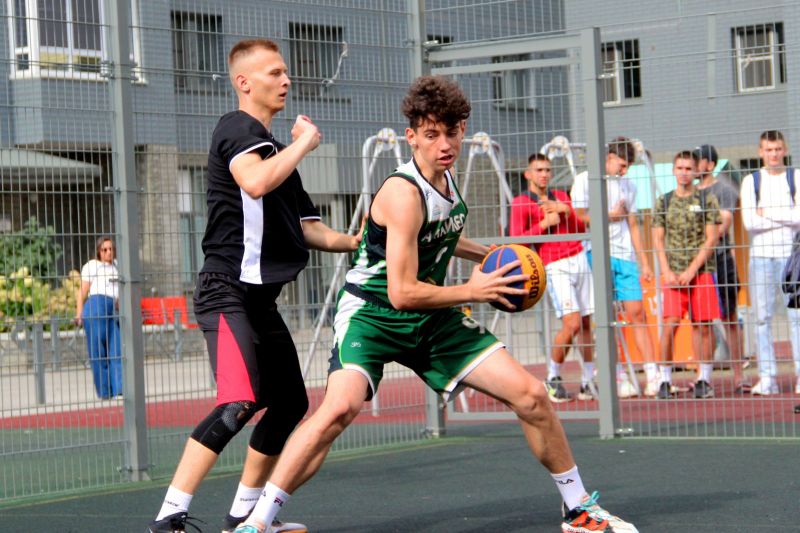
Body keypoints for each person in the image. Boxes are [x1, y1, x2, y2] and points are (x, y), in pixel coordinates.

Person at [233, 76, 637, 533]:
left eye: (452, 132)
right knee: (339, 409)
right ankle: (258, 522)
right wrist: (475, 290)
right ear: (412, 136)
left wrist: (489, 256)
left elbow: (441, 232)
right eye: (431, 134)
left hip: (430, 315)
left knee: (532, 395)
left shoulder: (445, 180)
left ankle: (577, 508)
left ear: (463, 130)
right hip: (373, 314)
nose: (444, 144)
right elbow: (401, 292)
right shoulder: (402, 193)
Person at [146, 39, 361, 533]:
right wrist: (305, 143)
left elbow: (310, 228)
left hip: (260, 302)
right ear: (244, 82)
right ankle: (167, 519)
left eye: (285, 73)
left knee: (290, 403)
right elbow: (255, 182)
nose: (287, 80)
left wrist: (355, 240)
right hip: (225, 290)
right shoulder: (236, 128)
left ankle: (243, 516)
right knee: (238, 402)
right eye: (274, 73)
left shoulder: (276, 154)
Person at [571, 137, 659, 398]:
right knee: (606, 317)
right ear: (609, 158)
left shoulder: (628, 185)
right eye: (621, 165)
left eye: (628, 166)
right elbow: (579, 217)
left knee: (637, 312)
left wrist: (643, 261)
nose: (624, 170)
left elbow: (633, 224)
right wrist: (610, 216)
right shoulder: (585, 180)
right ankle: (617, 374)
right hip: (597, 253)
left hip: (625, 256)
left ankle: (653, 374)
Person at [510, 153, 595, 402]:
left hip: (579, 258)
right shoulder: (521, 202)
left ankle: (588, 381)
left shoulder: (560, 196)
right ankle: (553, 376)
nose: (544, 174)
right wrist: (544, 224)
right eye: (539, 170)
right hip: (555, 264)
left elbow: (581, 228)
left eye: (547, 170)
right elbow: (516, 241)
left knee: (587, 323)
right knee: (572, 324)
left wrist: (566, 210)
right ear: (528, 174)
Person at [652, 151, 721, 399]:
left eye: (688, 168)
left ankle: (704, 378)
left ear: (696, 171)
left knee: (703, 325)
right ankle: (664, 379)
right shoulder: (664, 201)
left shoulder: (706, 199)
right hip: (673, 274)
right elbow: (658, 239)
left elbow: (711, 238)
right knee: (670, 324)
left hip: (701, 271)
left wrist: (692, 269)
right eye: (680, 168)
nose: (684, 173)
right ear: (673, 170)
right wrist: (666, 270)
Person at [740, 130, 800, 396]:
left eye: (777, 149)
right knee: (762, 317)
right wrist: (786, 214)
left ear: (784, 150)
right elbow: (749, 222)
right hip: (761, 257)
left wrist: (769, 213)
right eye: (768, 150)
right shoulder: (751, 181)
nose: (773, 154)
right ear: (760, 152)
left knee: (796, 316)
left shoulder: (795, 177)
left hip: (791, 256)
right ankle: (767, 377)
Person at [694, 144, 750, 393]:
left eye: (699, 160)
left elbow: (723, 225)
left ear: (710, 164)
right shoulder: (688, 192)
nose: (694, 165)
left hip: (720, 260)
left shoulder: (724, 189)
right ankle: (702, 377)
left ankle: (738, 375)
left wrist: (701, 241)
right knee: (699, 321)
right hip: (696, 265)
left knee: (729, 317)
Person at [75, 236, 122, 400]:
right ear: (99, 252)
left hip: (112, 310)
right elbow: (82, 293)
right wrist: (79, 313)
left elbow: (119, 295)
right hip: (95, 307)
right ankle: (105, 391)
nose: (108, 252)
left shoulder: (117, 266)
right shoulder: (92, 266)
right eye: (104, 250)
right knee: (98, 352)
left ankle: (119, 390)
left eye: (111, 249)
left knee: (116, 349)